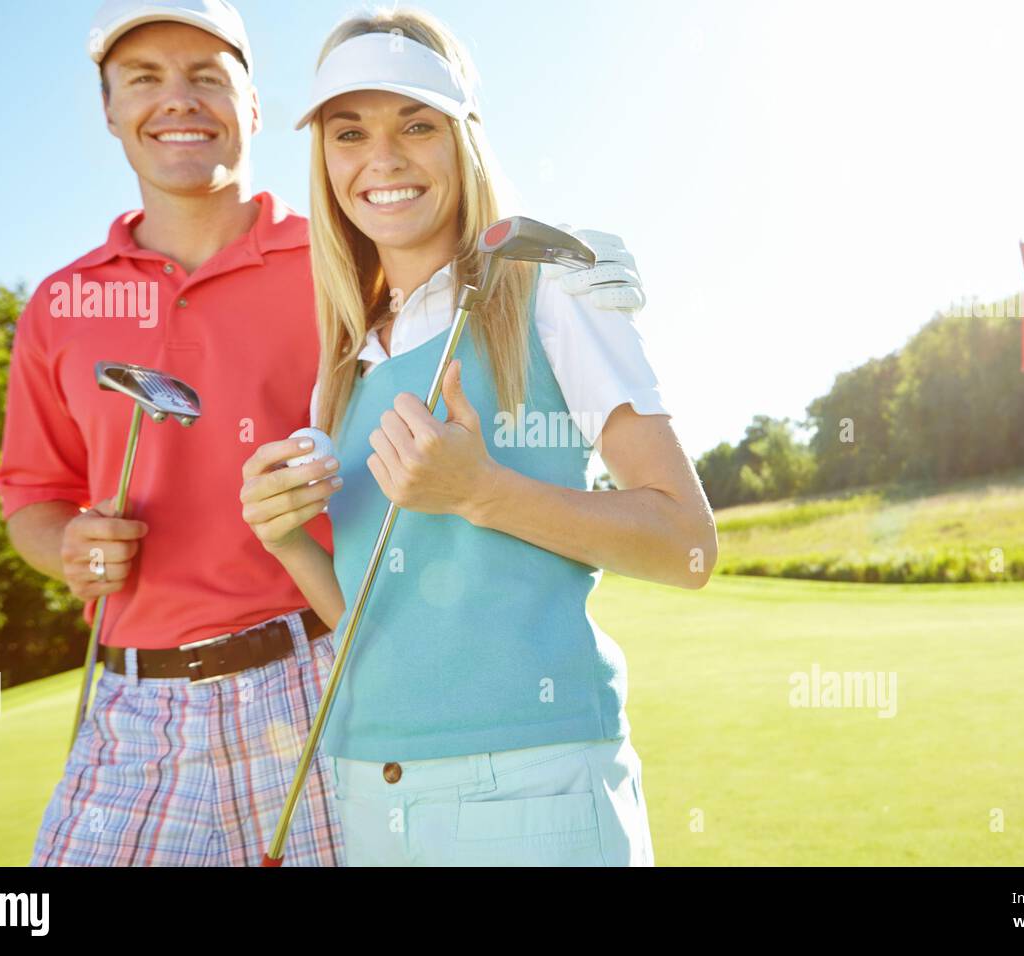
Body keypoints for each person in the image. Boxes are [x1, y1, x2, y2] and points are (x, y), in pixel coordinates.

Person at [0, 0, 647, 867]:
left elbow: (468, 255)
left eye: (206, 77)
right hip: (133, 692)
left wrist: (585, 257)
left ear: (255, 107)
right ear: (109, 109)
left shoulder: (350, 259)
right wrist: (69, 543)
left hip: (325, 664)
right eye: (144, 79)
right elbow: (31, 498)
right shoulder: (60, 305)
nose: (178, 100)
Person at [240, 8, 716, 866]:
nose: (381, 158)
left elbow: (687, 546)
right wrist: (288, 545)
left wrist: (483, 492)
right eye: (350, 132)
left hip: (534, 784)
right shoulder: (341, 365)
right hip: (366, 790)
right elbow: (371, 628)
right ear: (324, 160)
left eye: (416, 124)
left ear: (464, 138)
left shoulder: (553, 287)